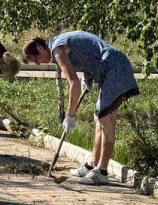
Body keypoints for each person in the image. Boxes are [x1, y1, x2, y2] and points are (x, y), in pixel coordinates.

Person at [23, 31, 139, 186]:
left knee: (105, 118)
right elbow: (86, 51)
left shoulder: (57, 49)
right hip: (113, 66)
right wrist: (87, 76)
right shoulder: (59, 44)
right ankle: (92, 163)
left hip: (114, 68)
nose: (38, 63)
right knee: (99, 117)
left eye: (36, 59)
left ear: (40, 48)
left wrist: (70, 115)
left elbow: (73, 83)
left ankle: (102, 171)